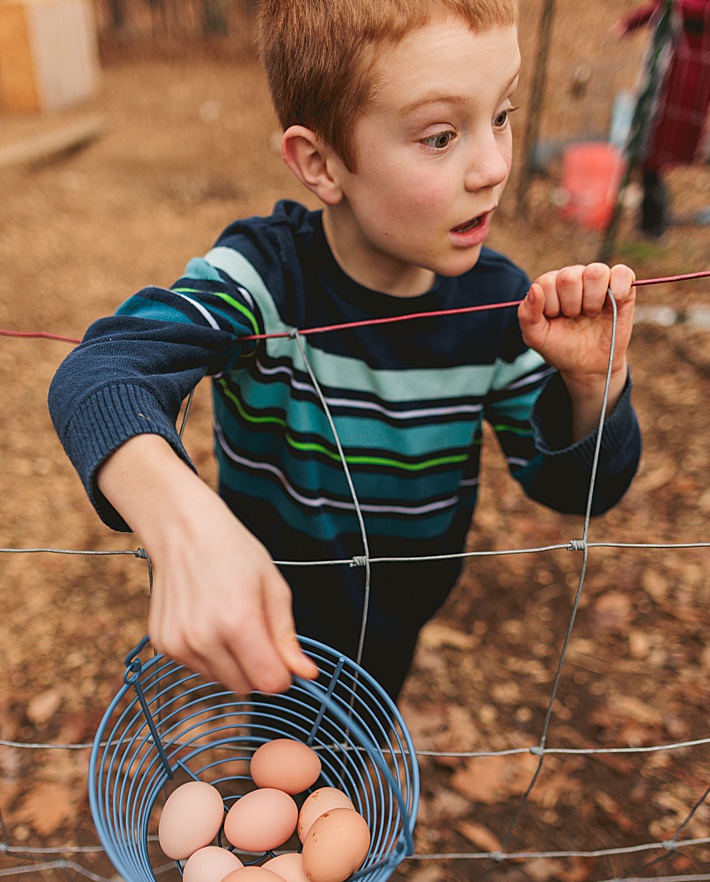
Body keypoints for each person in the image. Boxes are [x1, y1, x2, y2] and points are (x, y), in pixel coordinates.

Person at [48, 0, 642, 702]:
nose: (492, 167)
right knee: (283, 752)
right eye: (441, 136)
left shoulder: (500, 306)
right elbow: (100, 372)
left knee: (355, 743)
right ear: (322, 163)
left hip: (396, 622)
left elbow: (575, 489)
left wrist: (592, 383)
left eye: (502, 115)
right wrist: (184, 528)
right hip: (265, 618)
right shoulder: (262, 281)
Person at [617, 0, 710, 238]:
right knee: (648, 148)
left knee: (657, 150)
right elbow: (661, 6)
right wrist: (632, 22)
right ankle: (649, 219)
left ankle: (653, 222)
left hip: (688, 72)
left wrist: (676, 6)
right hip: (663, 69)